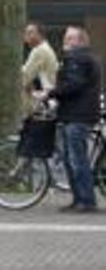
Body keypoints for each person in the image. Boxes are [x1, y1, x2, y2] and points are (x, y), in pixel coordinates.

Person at [37, 25, 100, 213]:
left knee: (76, 159)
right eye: (66, 37)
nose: (66, 40)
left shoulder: (77, 58)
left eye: (70, 37)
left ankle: (86, 201)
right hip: (76, 114)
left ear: (80, 41)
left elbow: (73, 84)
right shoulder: (83, 58)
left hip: (77, 115)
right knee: (69, 159)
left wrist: (50, 94)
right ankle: (79, 199)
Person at [21, 23, 60, 113]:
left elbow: (26, 76)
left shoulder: (40, 50)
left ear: (40, 35)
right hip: (49, 98)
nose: (26, 36)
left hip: (45, 101)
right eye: (25, 33)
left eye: (30, 33)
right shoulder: (45, 48)